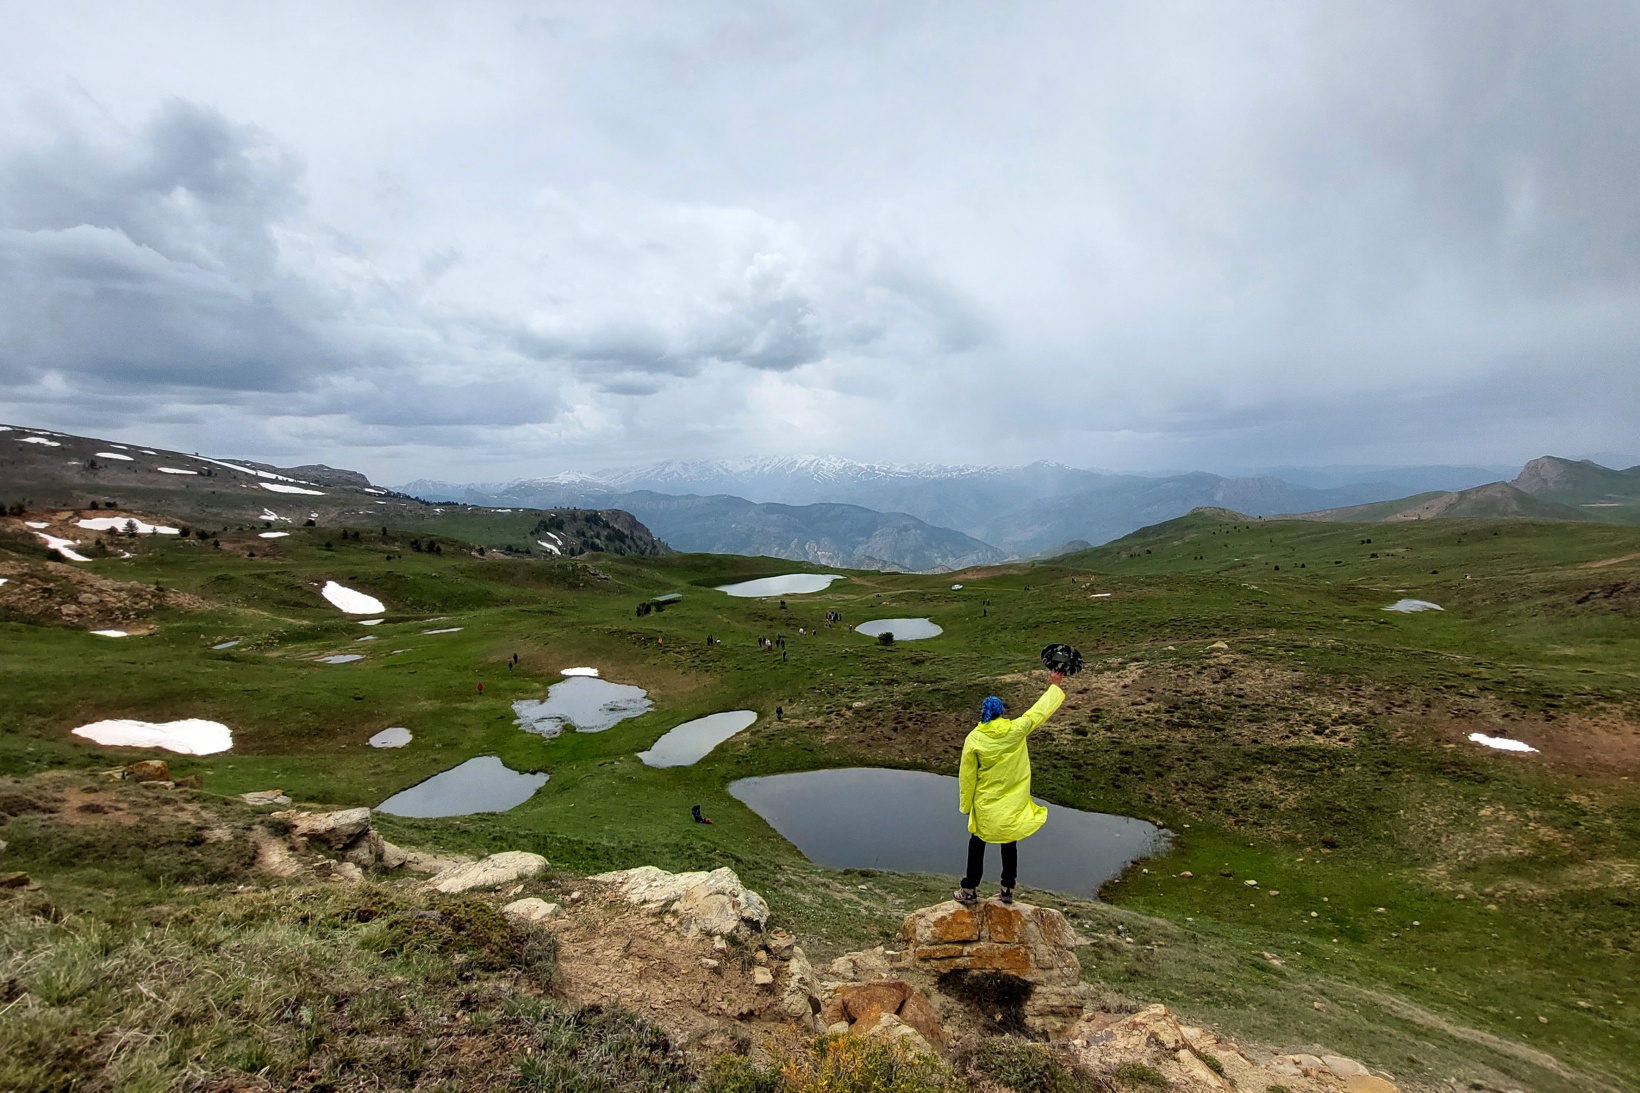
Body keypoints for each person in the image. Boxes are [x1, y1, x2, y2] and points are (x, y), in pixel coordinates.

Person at [955, 669, 1066, 905]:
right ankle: (1006, 890)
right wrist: (1055, 685)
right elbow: (1038, 712)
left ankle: (969, 890)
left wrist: (966, 805)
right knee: (1009, 841)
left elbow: (967, 777)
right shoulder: (1017, 730)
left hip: (985, 803)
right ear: (1001, 712)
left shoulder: (974, 738)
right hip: (1011, 802)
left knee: (977, 842)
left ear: (983, 712)